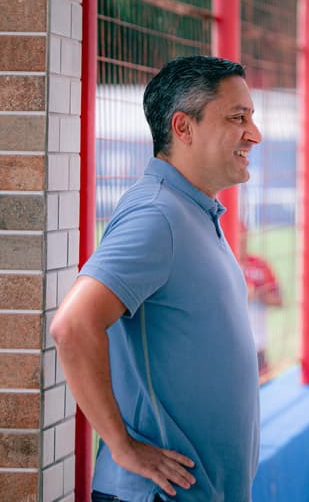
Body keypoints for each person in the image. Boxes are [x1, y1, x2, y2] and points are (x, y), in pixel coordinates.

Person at [50, 55, 262, 501]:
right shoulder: (157, 215)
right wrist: (124, 448)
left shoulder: (190, 211)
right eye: (237, 118)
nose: (254, 134)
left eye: (252, 118)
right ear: (183, 128)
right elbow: (72, 325)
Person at [238, 221, 283, 375]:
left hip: (258, 344)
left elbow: (278, 300)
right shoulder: (220, 265)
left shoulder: (259, 265)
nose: (241, 241)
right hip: (230, 346)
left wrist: (258, 292)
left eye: (243, 236)